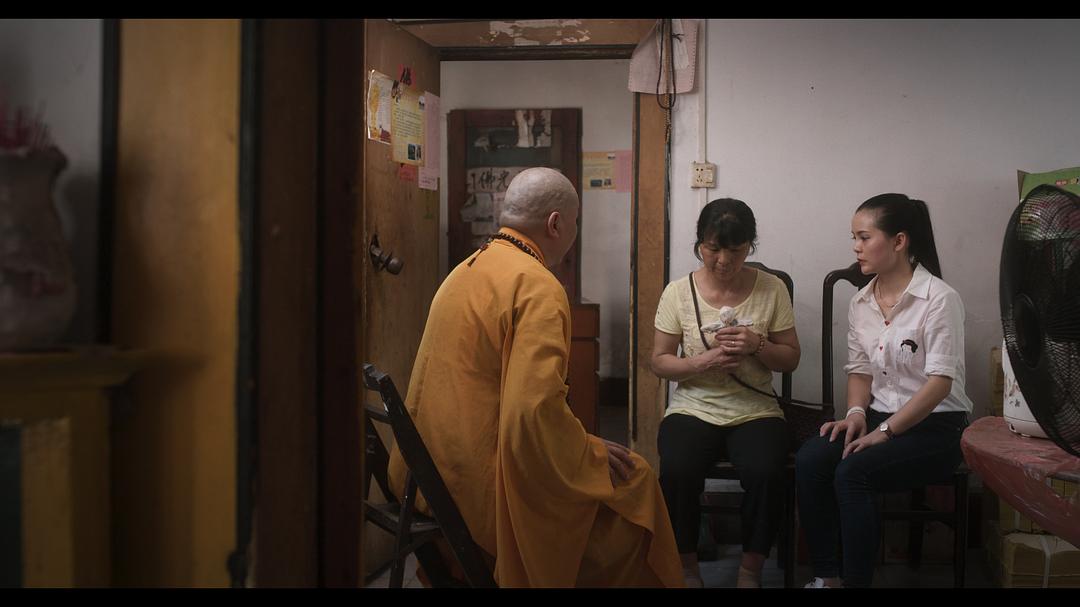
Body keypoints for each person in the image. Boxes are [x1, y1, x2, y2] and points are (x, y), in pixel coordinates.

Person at [387, 167, 683, 588]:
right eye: (576, 222)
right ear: (556, 223)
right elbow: (532, 413)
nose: (574, 232)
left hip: (426, 474)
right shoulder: (537, 286)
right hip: (481, 488)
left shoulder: (465, 269)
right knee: (637, 486)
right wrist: (589, 451)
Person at [795, 193, 972, 588]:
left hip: (938, 427)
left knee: (852, 472)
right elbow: (860, 371)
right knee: (811, 459)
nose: (856, 247)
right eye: (854, 238)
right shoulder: (861, 302)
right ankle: (827, 578)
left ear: (899, 241)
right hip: (879, 417)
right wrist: (857, 415)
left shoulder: (940, 299)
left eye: (864, 237)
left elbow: (940, 383)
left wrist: (885, 432)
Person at [650, 198, 801, 588]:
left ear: (750, 245)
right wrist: (702, 362)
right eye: (713, 248)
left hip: (755, 409)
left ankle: (750, 570)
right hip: (693, 407)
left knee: (767, 471)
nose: (722, 260)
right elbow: (660, 362)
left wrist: (757, 345)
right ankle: (687, 569)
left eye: (735, 250)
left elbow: (790, 359)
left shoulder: (771, 289)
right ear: (700, 243)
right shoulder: (677, 292)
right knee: (677, 469)